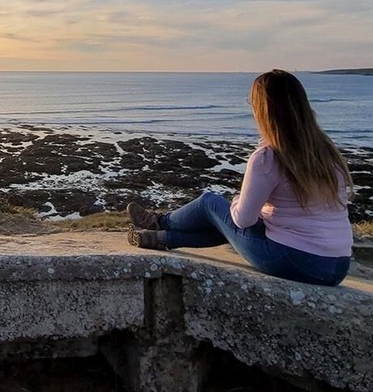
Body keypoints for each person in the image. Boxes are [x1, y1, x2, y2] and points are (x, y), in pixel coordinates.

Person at [126, 69, 354, 286]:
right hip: (337, 266)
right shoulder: (326, 152)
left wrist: (236, 201)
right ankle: (165, 238)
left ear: (264, 110)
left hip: (294, 260)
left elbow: (243, 220)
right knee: (229, 224)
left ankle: (158, 223)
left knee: (210, 203)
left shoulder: (268, 157)